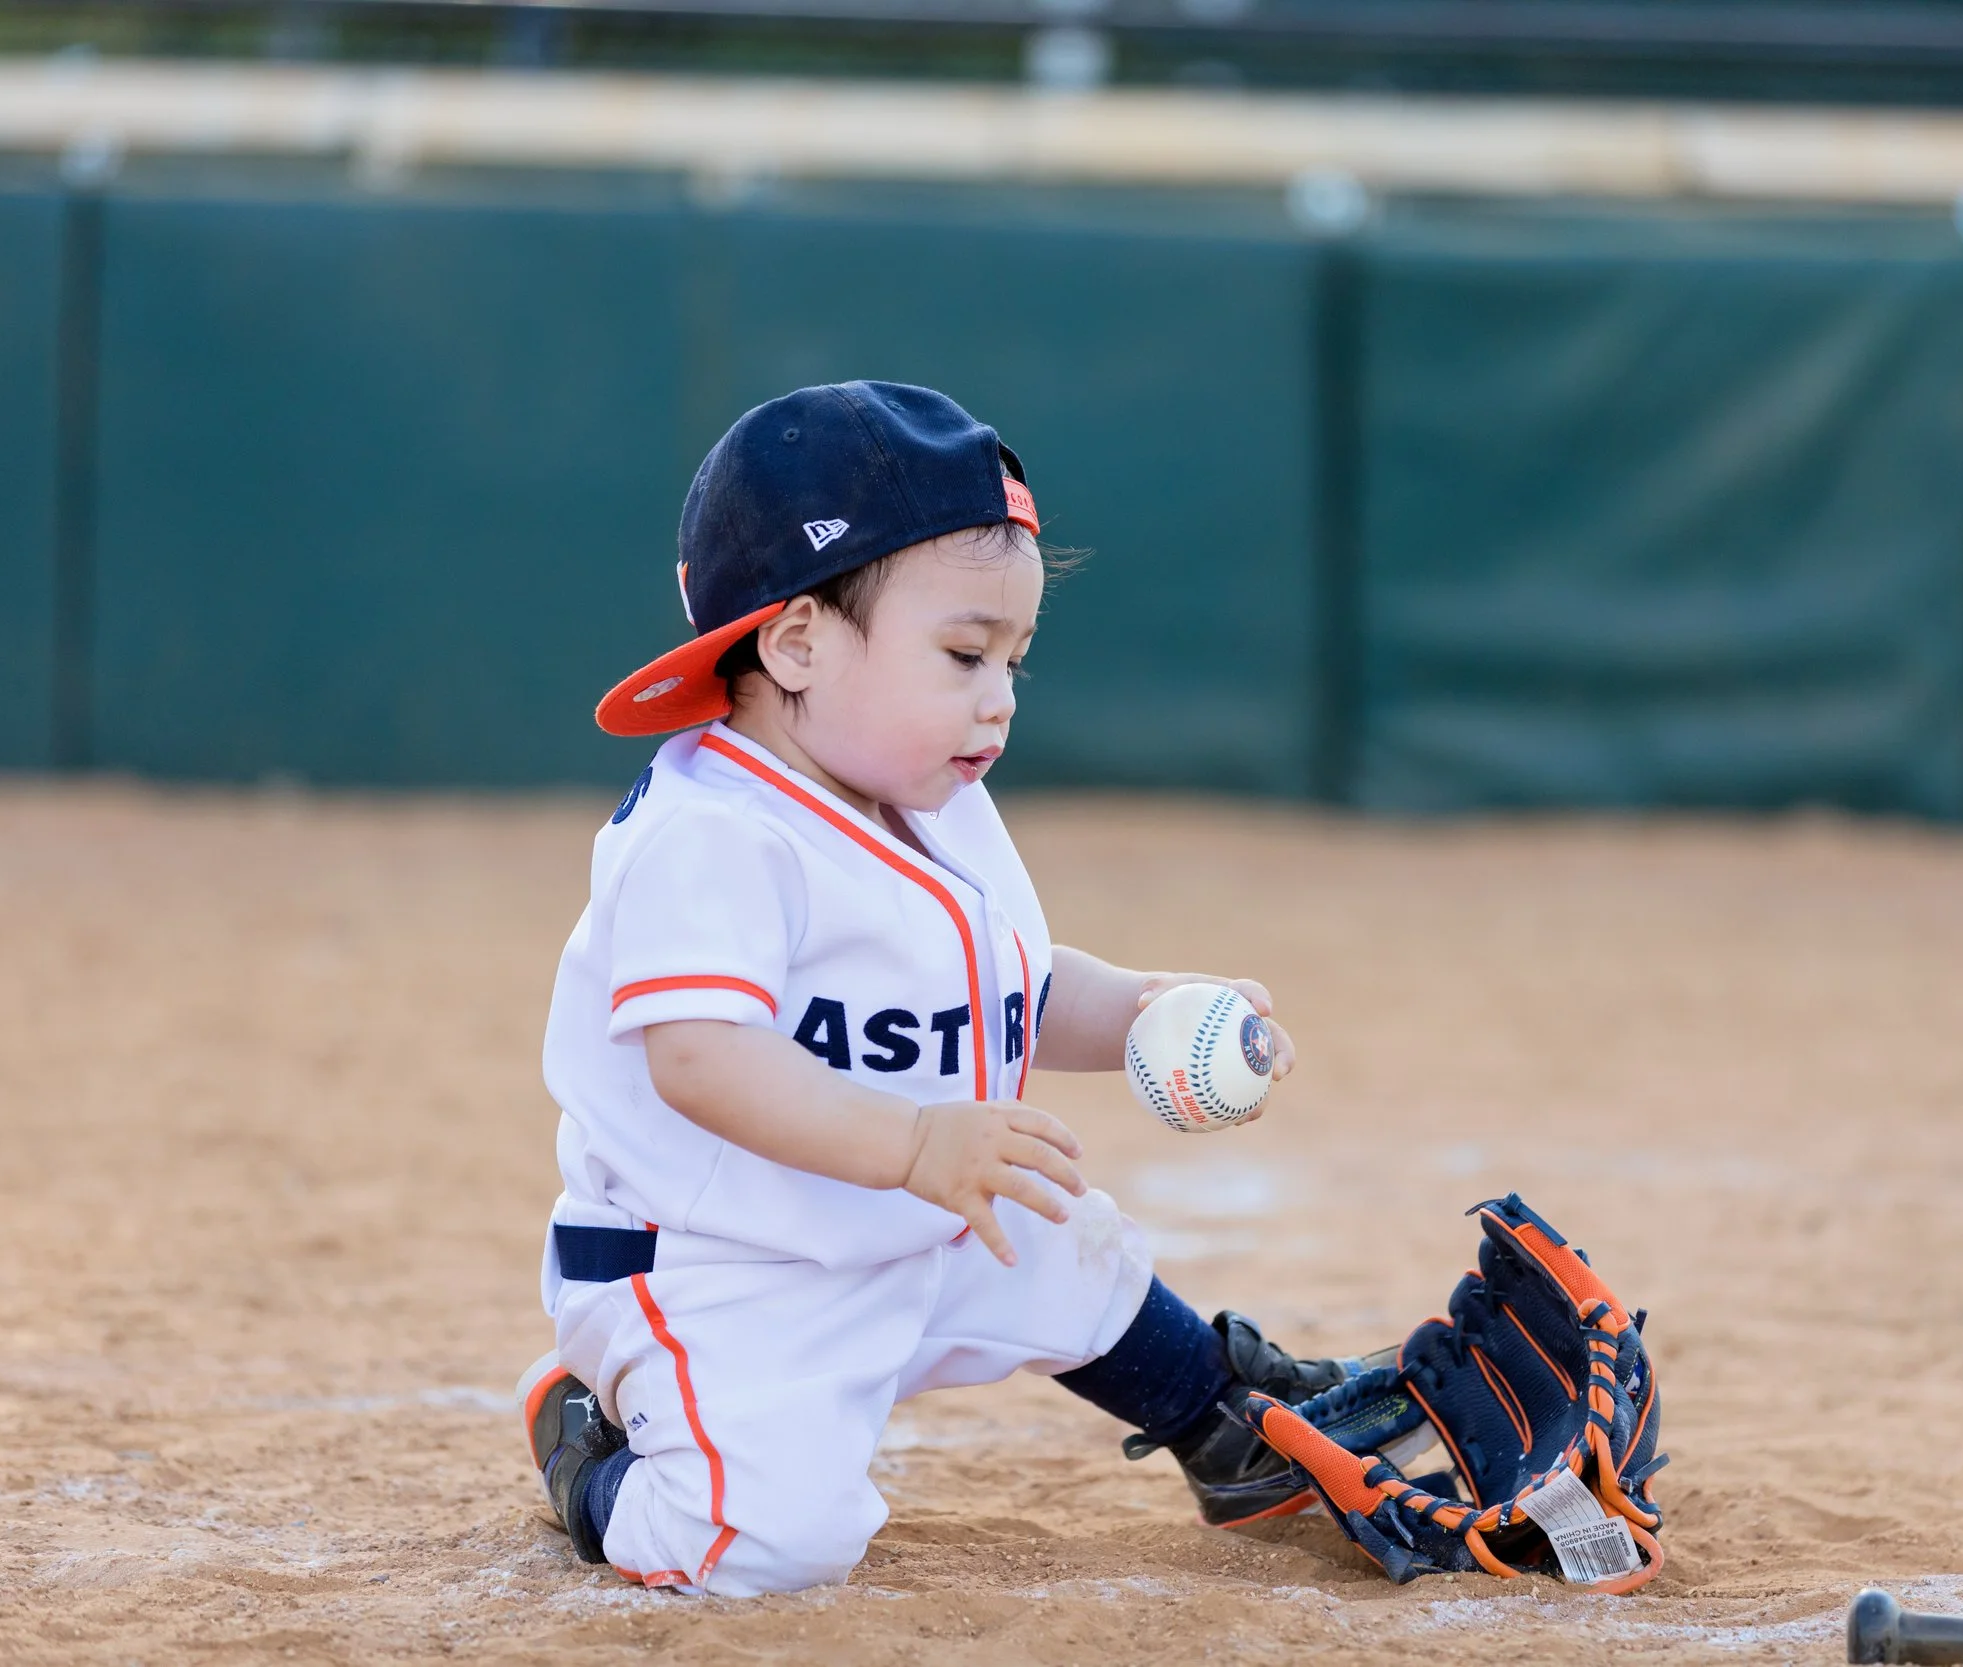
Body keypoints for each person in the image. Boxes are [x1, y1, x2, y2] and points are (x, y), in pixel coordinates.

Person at [517, 381, 1378, 1597]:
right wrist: (916, 1138)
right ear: (797, 641)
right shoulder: (710, 830)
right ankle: (591, 1449)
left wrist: (1138, 1004)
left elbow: (1015, 991)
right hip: (722, 1270)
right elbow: (699, 1054)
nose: (1000, 695)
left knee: (1055, 1231)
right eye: (965, 652)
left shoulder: (934, 803)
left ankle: (1223, 1420)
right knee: (765, 1548)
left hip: (888, 1214)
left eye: (1015, 658)